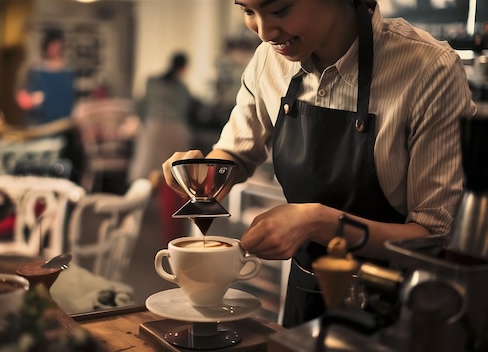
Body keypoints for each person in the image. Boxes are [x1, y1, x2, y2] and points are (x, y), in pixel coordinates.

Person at [162, 0, 475, 328]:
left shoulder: (429, 68)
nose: (264, 33)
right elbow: (236, 155)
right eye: (248, 11)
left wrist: (320, 222)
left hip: (400, 307)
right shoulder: (270, 61)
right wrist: (202, 175)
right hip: (306, 293)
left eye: (280, 10)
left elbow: (433, 237)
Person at [129, 52, 196, 243]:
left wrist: (147, 124)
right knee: (176, 179)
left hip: (154, 129)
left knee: (146, 176)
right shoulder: (182, 89)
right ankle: (172, 220)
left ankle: (133, 217)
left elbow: (139, 107)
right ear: (183, 68)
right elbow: (187, 111)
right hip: (176, 131)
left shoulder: (151, 82)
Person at [15, 29, 76, 126]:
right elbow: (22, 96)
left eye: (57, 44)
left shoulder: (68, 70)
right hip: (39, 124)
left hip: (65, 124)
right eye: (51, 44)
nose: (54, 48)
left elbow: (73, 97)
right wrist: (31, 100)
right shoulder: (34, 69)